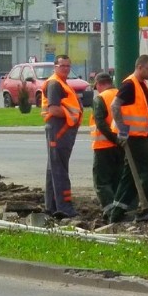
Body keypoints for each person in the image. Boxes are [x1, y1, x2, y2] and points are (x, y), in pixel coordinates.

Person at [106, 54, 148, 224]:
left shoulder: (140, 85)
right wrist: (123, 130)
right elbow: (115, 105)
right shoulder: (130, 84)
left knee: (130, 177)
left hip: (138, 136)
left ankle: (116, 214)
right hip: (133, 138)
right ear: (139, 67)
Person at [41, 54, 83, 218]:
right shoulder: (54, 84)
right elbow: (53, 109)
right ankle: (64, 207)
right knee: (59, 168)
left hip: (62, 128)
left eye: (68, 66)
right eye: (62, 65)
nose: (65, 68)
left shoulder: (63, 83)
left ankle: (51, 206)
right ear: (55, 67)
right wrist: (71, 116)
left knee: (54, 167)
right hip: (59, 128)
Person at [88, 72, 124, 213]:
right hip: (120, 146)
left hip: (103, 146)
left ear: (99, 84)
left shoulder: (100, 98)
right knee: (118, 179)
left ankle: (110, 211)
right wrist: (119, 140)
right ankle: (120, 209)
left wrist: (113, 139)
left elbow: (101, 124)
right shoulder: (121, 94)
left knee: (102, 182)